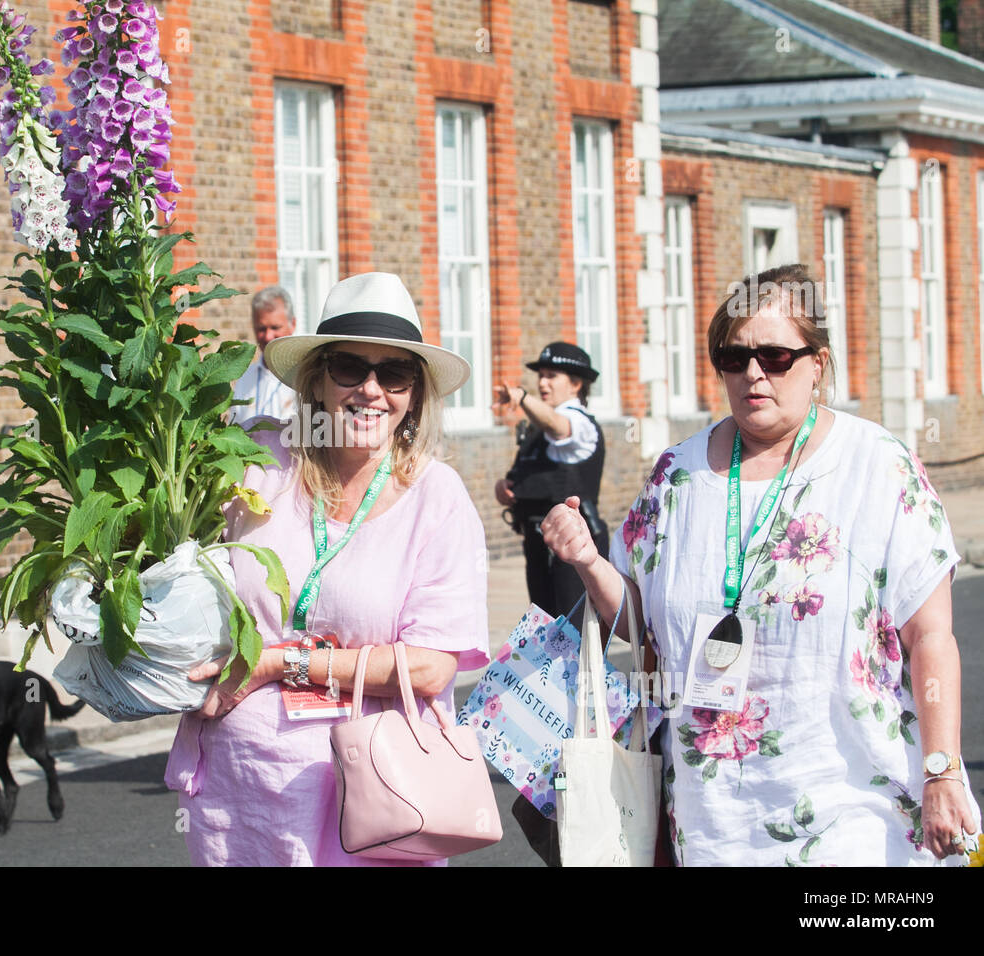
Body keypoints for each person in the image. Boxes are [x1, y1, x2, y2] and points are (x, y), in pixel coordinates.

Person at [542, 264, 981, 865]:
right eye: (734, 357)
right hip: (710, 825)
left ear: (817, 364)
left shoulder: (876, 468)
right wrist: (590, 562)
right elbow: (639, 627)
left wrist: (942, 772)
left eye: (776, 356)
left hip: (851, 813)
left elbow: (931, 634)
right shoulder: (676, 475)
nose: (754, 373)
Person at [165, 272, 490, 866]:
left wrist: (274, 662)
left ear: (415, 394)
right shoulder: (258, 460)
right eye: (349, 368)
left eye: (394, 373)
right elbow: (175, 561)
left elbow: (430, 667)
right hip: (243, 798)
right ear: (317, 379)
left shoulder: (436, 498)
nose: (371, 389)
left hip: (375, 800)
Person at [492, 342, 607, 622]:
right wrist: (507, 486)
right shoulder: (538, 426)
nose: (543, 383)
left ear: (576, 384)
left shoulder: (578, 423)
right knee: (544, 628)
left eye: (551, 376)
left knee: (574, 631)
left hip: (573, 548)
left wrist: (521, 398)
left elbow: (557, 425)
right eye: (540, 375)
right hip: (539, 542)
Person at [229, 285, 299, 423]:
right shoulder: (245, 378)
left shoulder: (306, 376)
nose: (268, 336)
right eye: (261, 329)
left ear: (293, 324)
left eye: (275, 327)